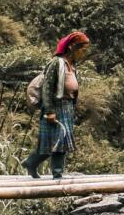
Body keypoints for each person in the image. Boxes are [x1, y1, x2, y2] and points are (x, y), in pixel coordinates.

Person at [24, 31, 90, 179]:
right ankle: (57, 175)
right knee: (56, 142)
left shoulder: (72, 65)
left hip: (66, 107)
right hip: (55, 106)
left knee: (57, 141)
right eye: (82, 49)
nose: (84, 53)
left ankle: (31, 163)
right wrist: (49, 111)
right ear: (72, 47)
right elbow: (47, 88)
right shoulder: (56, 63)